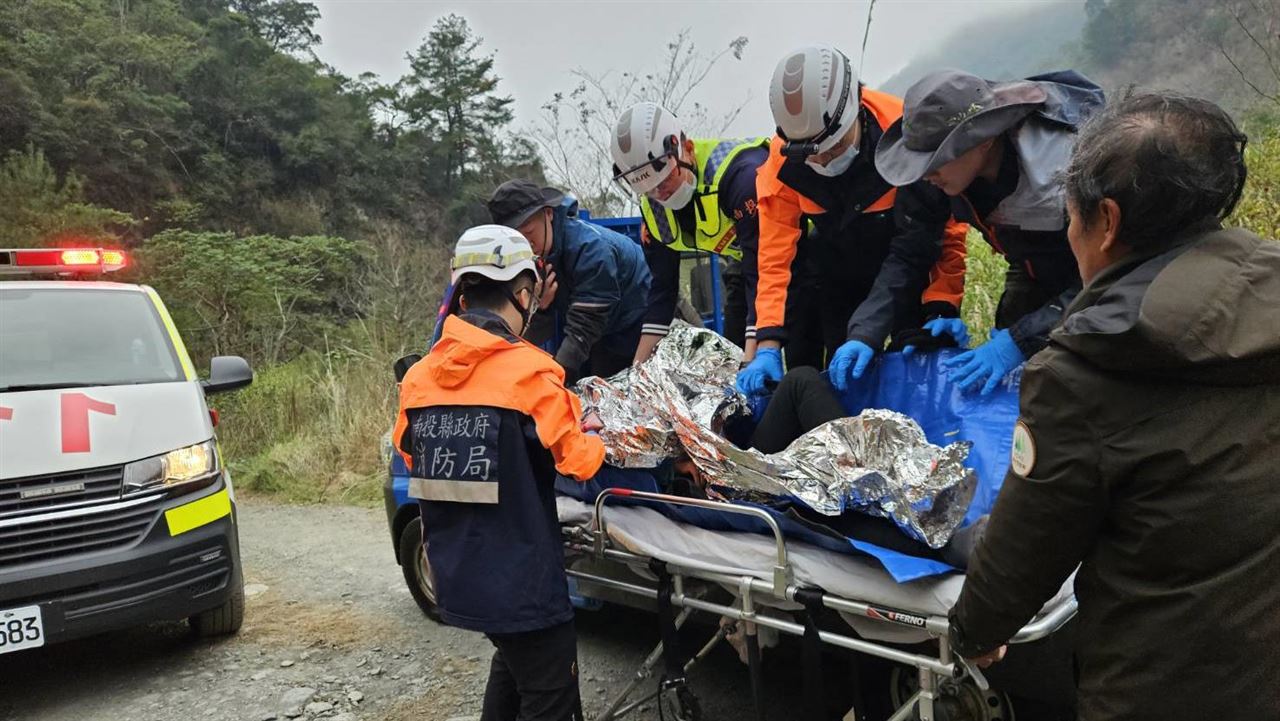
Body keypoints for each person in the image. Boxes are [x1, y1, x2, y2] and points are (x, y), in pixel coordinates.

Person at [947, 93, 1280, 720]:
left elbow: (1023, 553)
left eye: (1070, 215)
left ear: (1105, 220)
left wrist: (973, 632)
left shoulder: (1085, 372)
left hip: (1163, 683)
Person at [394, 225, 607, 721]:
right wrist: (594, 431)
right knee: (549, 694)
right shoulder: (533, 374)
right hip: (526, 584)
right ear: (525, 296)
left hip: (457, 574)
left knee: (513, 665)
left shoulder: (418, 379)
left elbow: (413, 458)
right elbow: (578, 463)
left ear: (463, 296)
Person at [736, 44, 969, 396]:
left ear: (854, 113)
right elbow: (774, 259)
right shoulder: (782, 164)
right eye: (812, 155)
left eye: (832, 146)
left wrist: (941, 302)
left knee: (919, 371)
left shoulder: (905, 133)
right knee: (843, 374)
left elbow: (937, 235)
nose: (823, 160)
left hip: (908, 266)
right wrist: (768, 342)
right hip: (840, 270)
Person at [876, 69, 1105, 394]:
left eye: (936, 161)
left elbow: (1109, 279)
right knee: (1012, 384)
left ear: (983, 140)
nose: (926, 174)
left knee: (1077, 378)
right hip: (1030, 266)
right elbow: (913, 249)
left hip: (1096, 279)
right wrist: (932, 313)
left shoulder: (1069, 174)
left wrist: (1024, 337)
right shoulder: (940, 177)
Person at [609, 102, 769, 362]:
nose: (661, 194)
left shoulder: (741, 176)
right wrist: (637, 369)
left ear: (688, 150)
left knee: (798, 350)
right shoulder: (654, 211)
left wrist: (755, 358)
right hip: (747, 265)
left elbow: (760, 273)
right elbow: (662, 293)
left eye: (665, 181)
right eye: (650, 190)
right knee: (735, 355)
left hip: (803, 252)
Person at [488, 179, 652, 381]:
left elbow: (585, 325)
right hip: (601, 332)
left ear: (548, 213)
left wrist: (557, 378)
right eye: (515, 237)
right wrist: (540, 307)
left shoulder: (591, 250)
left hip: (643, 319)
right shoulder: (525, 259)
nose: (525, 244)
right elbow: (530, 332)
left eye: (528, 232)